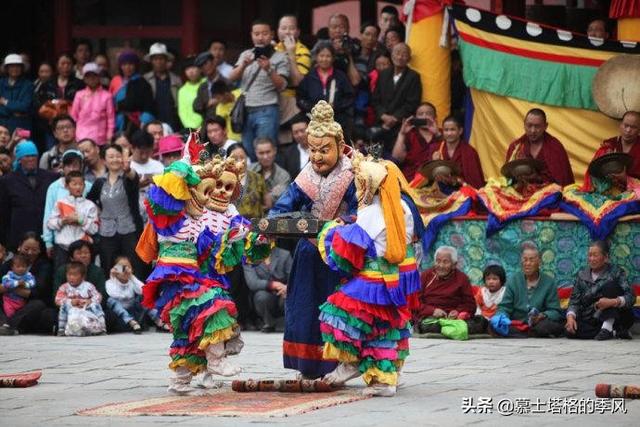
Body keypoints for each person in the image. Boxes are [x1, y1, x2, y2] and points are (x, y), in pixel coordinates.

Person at [137, 139, 269, 394]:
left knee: (189, 329)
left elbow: (215, 247)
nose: (210, 197)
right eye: (206, 191)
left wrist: (244, 239)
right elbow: (166, 189)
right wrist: (186, 164)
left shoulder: (206, 216)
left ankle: (180, 380)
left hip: (196, 275)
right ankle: (216, 360)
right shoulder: (171, 213)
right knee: (213, 307)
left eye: (217, 190)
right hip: (175, 276)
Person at [318, 153, 420, 397]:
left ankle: (353, 363)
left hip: (375, 279)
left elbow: (349, 249)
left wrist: (332, 230)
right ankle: (387, 375)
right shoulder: (404, 206)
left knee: (340, 315)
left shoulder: (373, 211)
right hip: (399, 278)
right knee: (386, 325)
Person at [270, 101, 358, 379]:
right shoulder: (304, 177)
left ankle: (344, 362)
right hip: (308, 253)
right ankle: (307, 366)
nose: (317, 156)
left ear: (340, 145)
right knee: (305, 308)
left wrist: (343, 223)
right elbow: (282, 207)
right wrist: (268, 224)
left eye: (325, 149)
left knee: (339, 308)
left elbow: (362, 209)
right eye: (313, 149)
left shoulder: (353, 174)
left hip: (341, 253)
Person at [228, 19, 289, 161]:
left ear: (272, 35)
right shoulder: (246, 54)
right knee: (249, 152)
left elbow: (282, 85)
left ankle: (267, 182)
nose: (260, 37)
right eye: (256, 34)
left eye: (264, 33)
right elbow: (231, 78)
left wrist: (269, 69)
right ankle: (254, 181)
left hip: (267, 110)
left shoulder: (280, 56)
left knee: (265, 153)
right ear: (252, 35)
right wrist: (243, 65)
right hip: (246, 111)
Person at [87, 144, 144, 277]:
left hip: (129, 228)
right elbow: (89, 200)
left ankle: (138, 296)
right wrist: (100, 212)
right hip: (106, 230)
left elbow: (134, 178)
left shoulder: (127, 178)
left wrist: (128, 169)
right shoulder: (100, 182)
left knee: (134, 265)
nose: (115, 160)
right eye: (111, 157)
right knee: (108, 265)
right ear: (104, 160)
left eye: (118, 156)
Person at [565, 240, 636, 340]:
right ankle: (614, 332)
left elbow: (631, 297)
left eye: (595, 255)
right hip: (593, 319)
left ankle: (607, 326)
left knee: (610, 286)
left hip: (617, 316)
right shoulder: (581, 275)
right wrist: (570, 317)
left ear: (606, 257)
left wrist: (613, 302)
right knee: (570, 331)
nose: (592, 259)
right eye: (590, 255)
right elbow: (574, 301)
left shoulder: (616, 272)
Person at [490, 243, 564, 338]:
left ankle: (522, 333)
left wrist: (542, 315)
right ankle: (522, 332)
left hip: (538, 323)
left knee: (544, 327)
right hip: (517, 323)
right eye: (525, 260)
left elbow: (555, 311)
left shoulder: (549, 282)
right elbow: (505, 306)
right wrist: (500, 317)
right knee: (493, 324)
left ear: (539, 262)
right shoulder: (513, 280)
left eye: (531, 260)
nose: (527, 263)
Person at [0, 141, 58, 251]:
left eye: (33, 155)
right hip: (18, 239)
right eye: (27, 156)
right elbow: (4, 214)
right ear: (19, 159)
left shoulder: (51, 177)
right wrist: (6, 241)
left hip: (46, 239)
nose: (31, 159)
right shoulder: (6, 181)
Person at [296, 41, 355, 139]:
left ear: (333, 58)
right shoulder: (310, 77)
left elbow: (350, 97)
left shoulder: (340, 76)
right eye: (321, 56)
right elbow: (300, 98)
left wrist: (336, 106)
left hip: (337, 121)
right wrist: (314, 108)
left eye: (328, 56)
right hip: (314, 122)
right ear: (316, 57)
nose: (324, 59)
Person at [0, 232, 56, 335]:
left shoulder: (44, 266)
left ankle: (8, 326)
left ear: (39, 250)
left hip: (27, 306)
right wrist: (17, 285)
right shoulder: (9, 264)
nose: (30, 253)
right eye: (26, 249)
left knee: (38, 305)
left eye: (34, 250)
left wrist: (11, 286)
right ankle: (5, 324)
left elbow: (37, 291)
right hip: (8, 302)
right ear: (19, 247)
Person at [413, 246, 477, 332]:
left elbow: (470, 304)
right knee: (431, 326)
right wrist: (432, 311)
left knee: (477, 323)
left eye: (445, 262)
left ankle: (450, 327)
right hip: (431, 317)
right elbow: (415, 303)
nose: (441, 265)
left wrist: (457, 311)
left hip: (454, 319)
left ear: (454, 264)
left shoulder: (462, 278)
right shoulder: (426, 276)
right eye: (438, 261)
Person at [505, 108, 574, 187]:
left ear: (545, 126)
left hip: (549, 194)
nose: (533, 130)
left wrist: (538, 178)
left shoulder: (555, 147)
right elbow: (508, 176)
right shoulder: (516, 147)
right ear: (524, 124)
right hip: (520, 191)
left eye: (537, 126)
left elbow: (564, 181)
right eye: (529, 125)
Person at [41, 149, 90, 259]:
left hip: (82, 241)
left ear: (81, 167)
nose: (72, 169)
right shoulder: (54, 187)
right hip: (60, 242)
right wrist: (48, 242)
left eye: (75, 165)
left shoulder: (88, 186)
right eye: (68, 165)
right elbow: (48, 215)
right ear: (63, 167)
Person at [46, 170, 99, 270]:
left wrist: (80, 220)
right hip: (62, 247)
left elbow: (94, 229)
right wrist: (62, 221)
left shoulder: (90, 205)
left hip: (82, 248)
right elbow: (50, 223)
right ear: (67, 186)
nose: (78, 187)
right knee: (61, 275)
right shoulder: (60, 203)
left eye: (81, 184)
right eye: (74, 184)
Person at [372, 43, 422, 146]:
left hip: (400, 125)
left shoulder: (413, 77)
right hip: (381, 122)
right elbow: (375, 99)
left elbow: (412, 103)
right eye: (397, 53)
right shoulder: (383, 74)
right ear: (391, 55)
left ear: (408, 58)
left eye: (404, 54)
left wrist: (395, 118)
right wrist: (383, 115)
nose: (400, 57)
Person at [106, 255, 166, 333]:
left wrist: (131, 276)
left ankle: (159, 321)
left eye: (127, 267)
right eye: (121, 267)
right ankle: (131, 322)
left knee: (143, 297)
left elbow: (144, 291)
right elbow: (113, 294)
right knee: (110, 300)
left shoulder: (132, 281)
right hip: (120, 318)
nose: (125, 270)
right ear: (115, 269)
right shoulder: (110, 282)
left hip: (135, 316)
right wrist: (112, 277)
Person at [275, 15, 312, 142]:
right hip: (273, 101)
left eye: (291, 28)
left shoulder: (303, 51)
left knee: (287, 142)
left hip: (291, 102)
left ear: (297, 32)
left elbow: (298, 81)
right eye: (283, 28)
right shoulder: (274, 49)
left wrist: (291, 53)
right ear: (277, 31)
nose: (287, 32)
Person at [243, 246, 292, 333]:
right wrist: (273, 284)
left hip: (283, 291)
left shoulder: (285, 254)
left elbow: (293, 277)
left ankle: (287, 323)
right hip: (265, 291)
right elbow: (252, 283)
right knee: (261, 297)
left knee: (290, 295)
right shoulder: (249, 256)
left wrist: (287, 287)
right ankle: (269, 322)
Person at [428, 115, 485, 188]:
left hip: (462, 192)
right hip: (439, 191)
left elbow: (475, 182)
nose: (449, 133)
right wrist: (434, 163)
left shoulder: (469, 152)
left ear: (460, 131)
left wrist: (455, 180)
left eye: (452, 130)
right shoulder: (435, 148)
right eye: (446, 130)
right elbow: (427, 176)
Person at [392, 102, 441, 181]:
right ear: (416, 117)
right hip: (411, 180)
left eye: (428, 113)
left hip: (435, 181)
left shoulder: (440, 134)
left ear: (435, 117)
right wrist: (402, 134)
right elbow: (397, 158)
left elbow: (448, 159)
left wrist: (437, 134)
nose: (424, 116)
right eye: (420, 114)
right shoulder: (410, 134)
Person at [55, 261, 106, 336]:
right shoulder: (64, 287)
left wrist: (89, 301)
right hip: (71, 310)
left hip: (85, 310)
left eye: (75, 275)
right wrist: (70, 302)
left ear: (82, 276)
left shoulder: (88, 286)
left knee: (96, 305)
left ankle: (101, 327)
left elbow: (98, 296)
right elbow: (57, 299)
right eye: (69, 274)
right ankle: (61, 329)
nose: (71, 277)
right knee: (63, 306)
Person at [109, 50, 155, 133]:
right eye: (124, 64)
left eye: (130, 64)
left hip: (136, 123)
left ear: (136, 66)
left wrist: (143, 124)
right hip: (117, 122)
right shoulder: (115, 81)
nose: (127, 67)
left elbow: (148, 106)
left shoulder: (142, 83)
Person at [70, 62, 115, 146]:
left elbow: (110, 118)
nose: (91, 79)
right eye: (88, 76)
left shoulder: (107, 96)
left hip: (100, 139)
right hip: (81, 138)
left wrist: (109, 138)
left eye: (94, 76)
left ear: (99, 77)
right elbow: (73, 117)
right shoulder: (79, 95)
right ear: (84, 78)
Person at [144, 43, 182, 131]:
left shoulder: (176, 80)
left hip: (173, 121)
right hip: (153, 121)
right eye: (155, 59)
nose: (158, 62)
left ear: (166, 60)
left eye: (161, 58)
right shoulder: (145, 79)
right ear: (151, 61)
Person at [227, 143, 270, 219]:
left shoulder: (257, 178)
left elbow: (267, 204)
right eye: (235, 159)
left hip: (255, 227)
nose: (240, 161)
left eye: (242, 157)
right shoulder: (225, 181)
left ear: (247, 158)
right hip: (232, 228)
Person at [594, 111, 640, 179]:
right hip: (611, 186)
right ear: (621, 125)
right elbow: (595, 171)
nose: (628, 130)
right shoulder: (609, 144)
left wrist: (625, 179)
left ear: (639, 129)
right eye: (626, 125)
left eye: (633, 127)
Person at [0, 54, 34, 133]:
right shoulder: (1, 83)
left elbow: (25, 106)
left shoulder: (28, 85)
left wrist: (5, 102)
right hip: (2, 125)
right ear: (6, 68)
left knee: (23, 145)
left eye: (18, 66)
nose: (15, 69)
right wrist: (14, 110)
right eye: (11, 66)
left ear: (22, 68)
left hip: (22, 125)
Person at [250, 138, 291, 203]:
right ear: (256, 153)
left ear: (275, 151)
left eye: (268, 152)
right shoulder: (249, 170)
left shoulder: (283, 175)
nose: (265, 157)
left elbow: (275, 198)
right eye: (261, 153)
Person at [192, 51, 228, 122]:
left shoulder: (226, 82)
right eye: (201, 66)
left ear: (214, 62)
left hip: (225, 124)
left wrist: (221, 100)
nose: (204, 68)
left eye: (206, 63)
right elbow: (196, 107)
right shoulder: (202, 86)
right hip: (208, 125)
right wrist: (207, 104)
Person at [1, 254, 36, 320]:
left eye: (23, 266)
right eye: (18, 266)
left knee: (20, 313)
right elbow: (5, 283)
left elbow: (32, 283)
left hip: (21, 300)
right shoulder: (9, 275)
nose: (21, 268)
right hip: (9, 300)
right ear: (12, 267)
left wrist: (25, 284)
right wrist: (17, 283)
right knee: (9, 313)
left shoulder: (28, 275)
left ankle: (14, 324)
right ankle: (8, 323)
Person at [276, 113, 309, 179]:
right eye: (296, 132)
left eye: (302, 131)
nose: (299, 135)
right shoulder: (287, 154)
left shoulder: (321, 150)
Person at [177, 56, 205, 130]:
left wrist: (203, 125)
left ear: (200, 69)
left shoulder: (207, 83)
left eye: (193, 67)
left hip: (208, 126)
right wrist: (191, 128)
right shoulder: (182, 90)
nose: (191, 71)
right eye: (187, 69)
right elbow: (182, 112)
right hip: (191, 129)